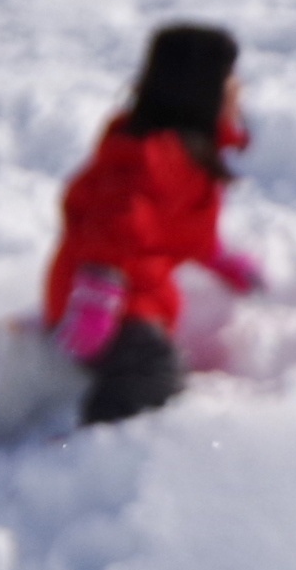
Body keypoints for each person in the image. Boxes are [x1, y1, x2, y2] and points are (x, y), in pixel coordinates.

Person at [43, 25, 260, 425]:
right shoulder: (150, 159)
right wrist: (96, 292)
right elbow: (110, 224)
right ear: (199, 89)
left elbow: (175, 225)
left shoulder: (187, 151)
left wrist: (217, 257)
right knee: (152, 370)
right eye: (228, 78)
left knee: (156, 360)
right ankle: (96, 442)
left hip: (134, 292)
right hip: (100, 300)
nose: (238, 87)